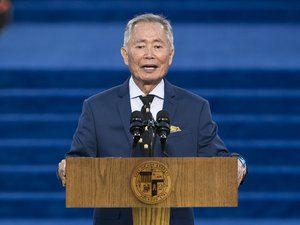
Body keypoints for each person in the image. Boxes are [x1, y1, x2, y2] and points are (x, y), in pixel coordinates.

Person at [58, 13, 247, 225]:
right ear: (125, 54)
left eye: (157, 46)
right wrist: (66, 168)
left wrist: (239, 164)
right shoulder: (96, 108)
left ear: (171, 54)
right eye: (140, 46)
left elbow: (217, 161)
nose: (149, 55)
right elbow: (77, 163)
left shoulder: (195, 108)